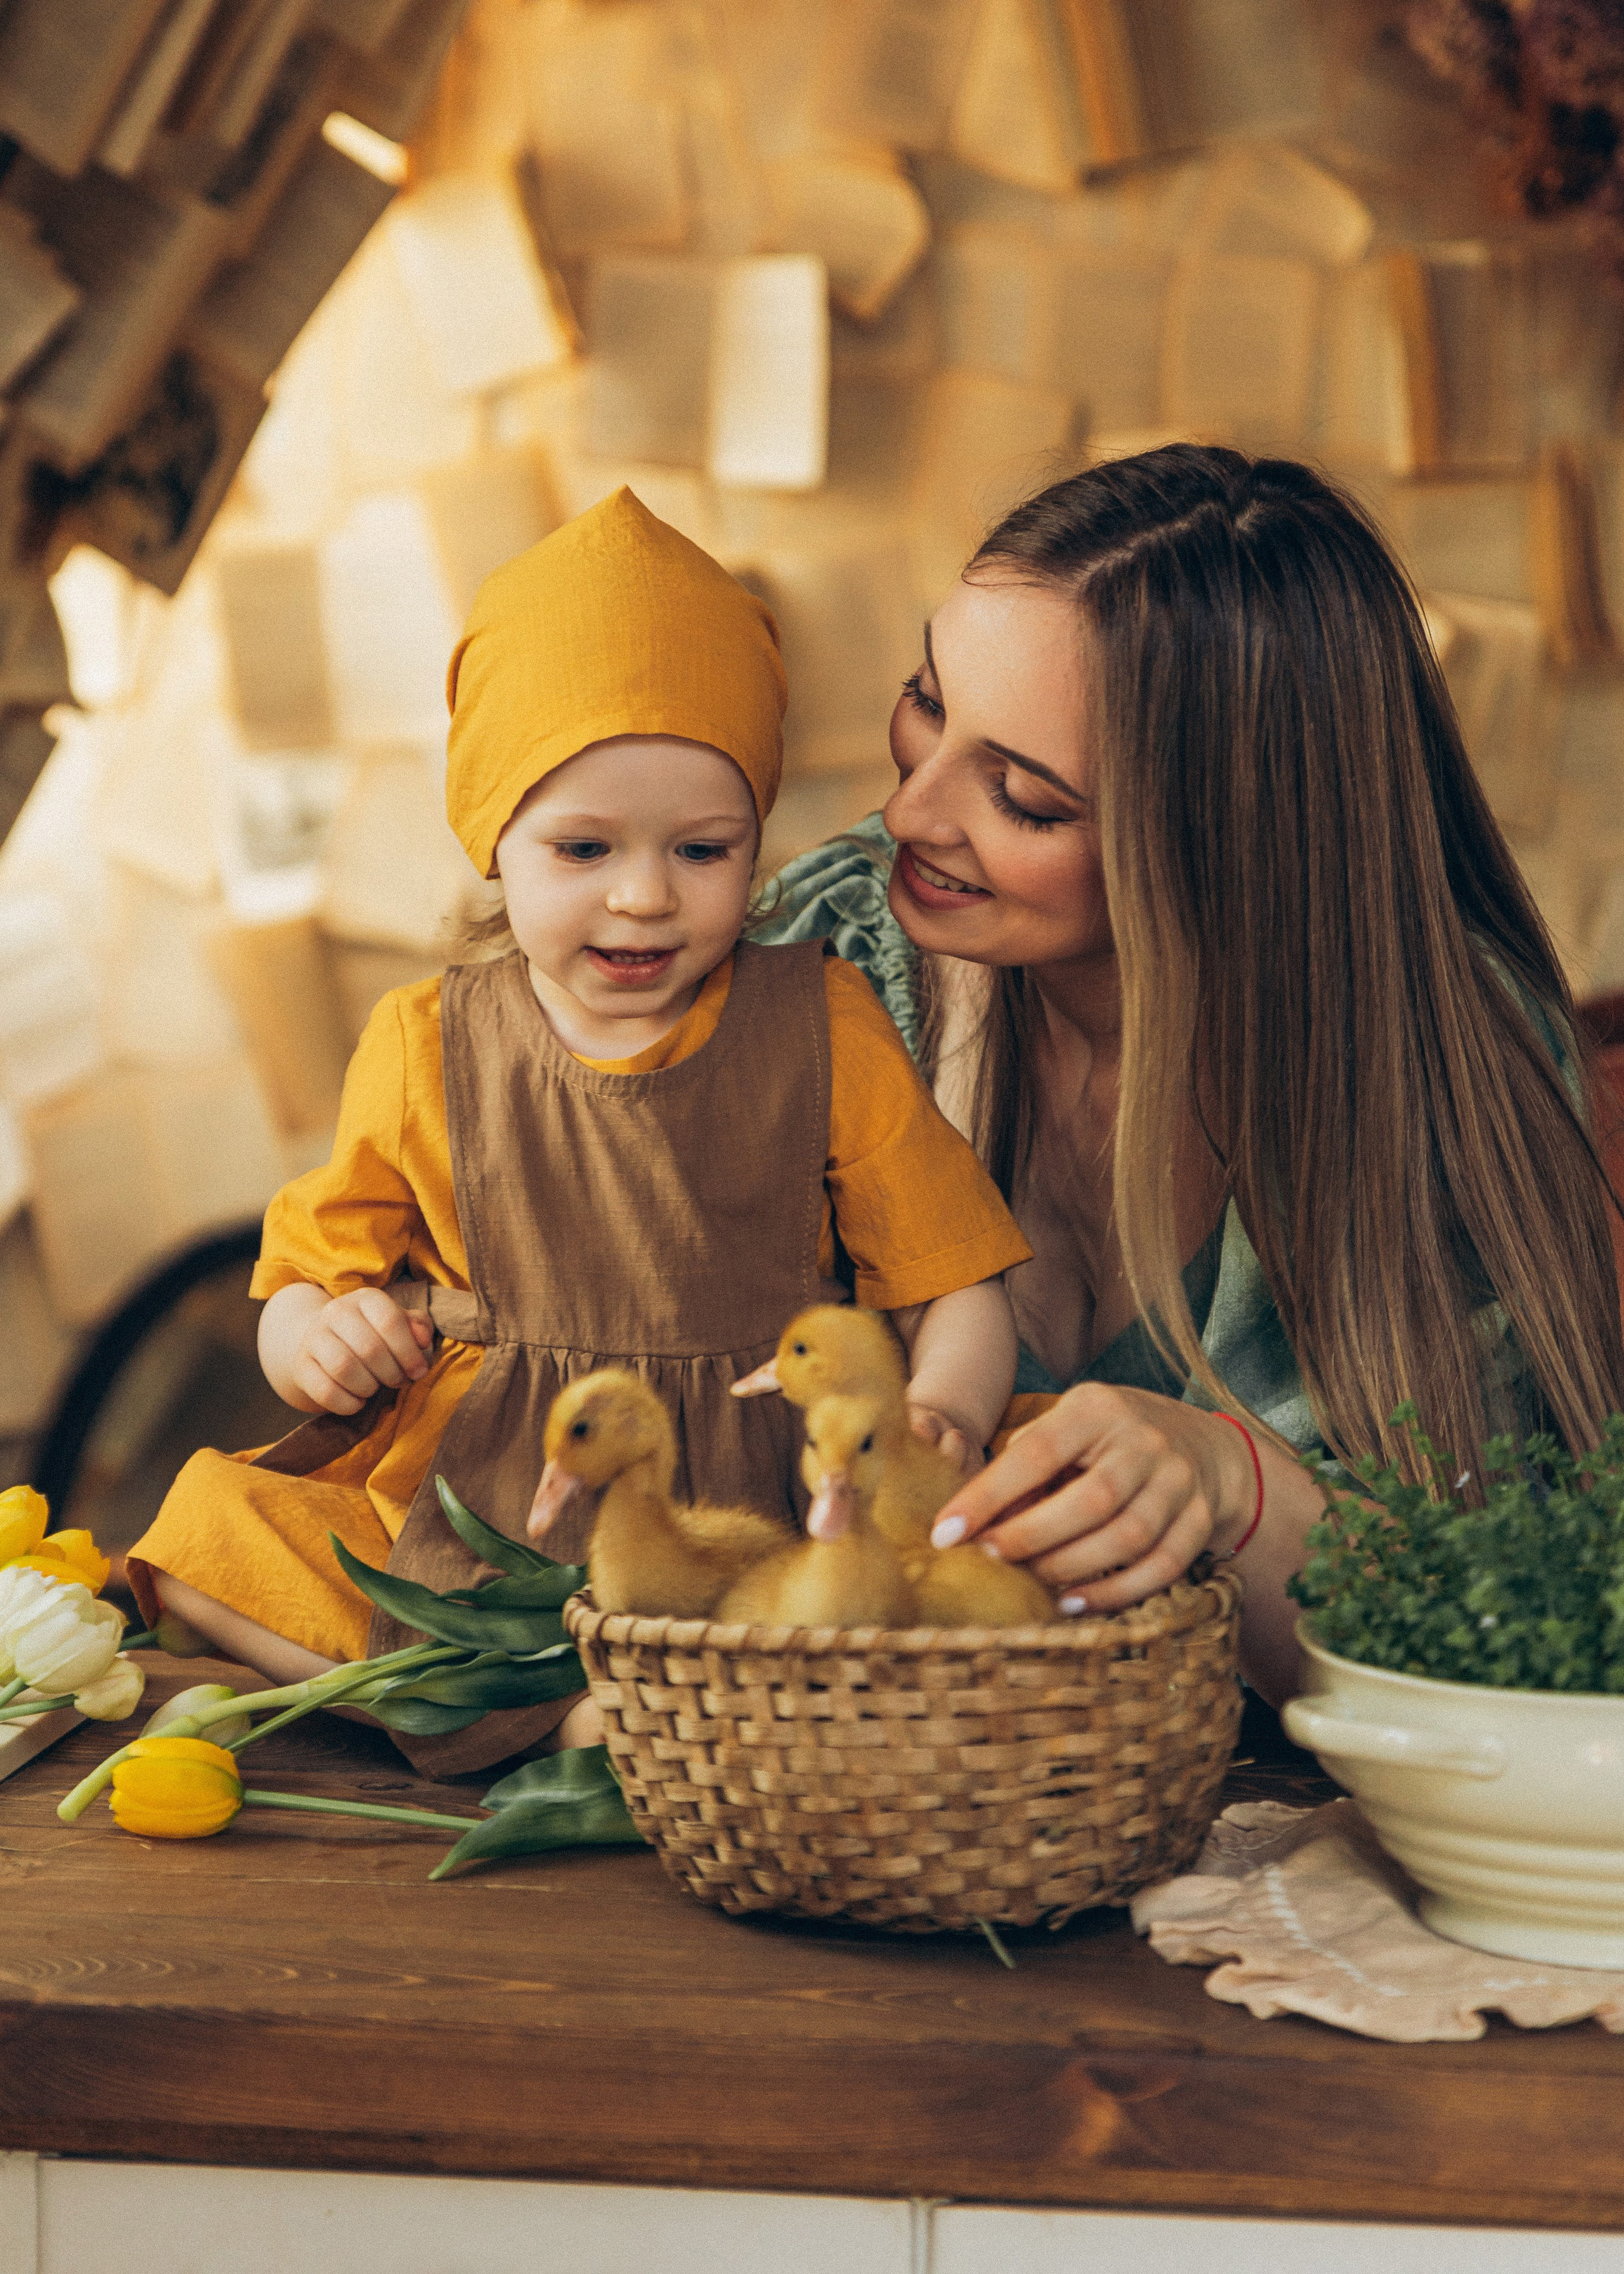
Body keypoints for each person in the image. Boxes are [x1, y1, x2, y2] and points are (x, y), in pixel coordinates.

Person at [126, 488, 1030, 1771]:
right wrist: (317, 1341)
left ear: (751, 837)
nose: (645, 894)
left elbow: (960, 1280)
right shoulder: (424, 1041)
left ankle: (622, 1702)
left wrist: (939, 1410)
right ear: (493, 834)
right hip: (486, 1501)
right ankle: (555, 1712)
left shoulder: (821, 1022)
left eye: (704, 848)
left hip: (738, 1502)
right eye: (584, 844)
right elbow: (303, 1283)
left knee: (1002, 1519)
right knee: (206, 1527)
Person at [761, 444, 1624, 1704]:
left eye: (1019, 795)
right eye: (926, 701)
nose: (910, 812)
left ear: (1218, 853)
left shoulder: (1443, 1073)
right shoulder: (832, 947)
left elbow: (1509, 1649)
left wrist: (1237, 1487)